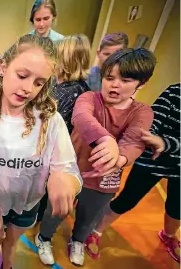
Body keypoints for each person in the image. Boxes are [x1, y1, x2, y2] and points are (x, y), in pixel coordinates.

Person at [0, 34, 82, 269]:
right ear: (3, 67)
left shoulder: (51, 120)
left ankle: (7, 265)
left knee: (10, 243)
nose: (28, 88)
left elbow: (70, 171)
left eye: (39, 82)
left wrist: (64, 180)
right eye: (22, 75)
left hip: (27, 205)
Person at [36, 48, 156, 266]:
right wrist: (106, 139)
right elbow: (81, 118)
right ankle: (44, 237)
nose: (115, 84)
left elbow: (134, 141)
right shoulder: (88, 97)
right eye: (109, 78)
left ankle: (78, 241)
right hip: (70, 170)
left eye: (125, 79)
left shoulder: (142, 112)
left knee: (88, 216)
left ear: (141, 83)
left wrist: (119, 160)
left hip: (103, 180)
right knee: (56, 209)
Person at [86, 83, 180, 263]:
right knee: (127, 199)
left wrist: (166, 143)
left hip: (177, 161)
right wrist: (154, 140)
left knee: (177, 207)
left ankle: (168, 235)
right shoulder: (175, 92)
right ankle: (94, 231)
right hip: (152, 159)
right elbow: (150, 125)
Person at [35, 34, 91, 224]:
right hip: (44, 145)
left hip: (50, 149)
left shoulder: (73, 90)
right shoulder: (57, 83)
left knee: (43, 187)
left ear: (65, 61)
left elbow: (48, 119)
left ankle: (39, 216)